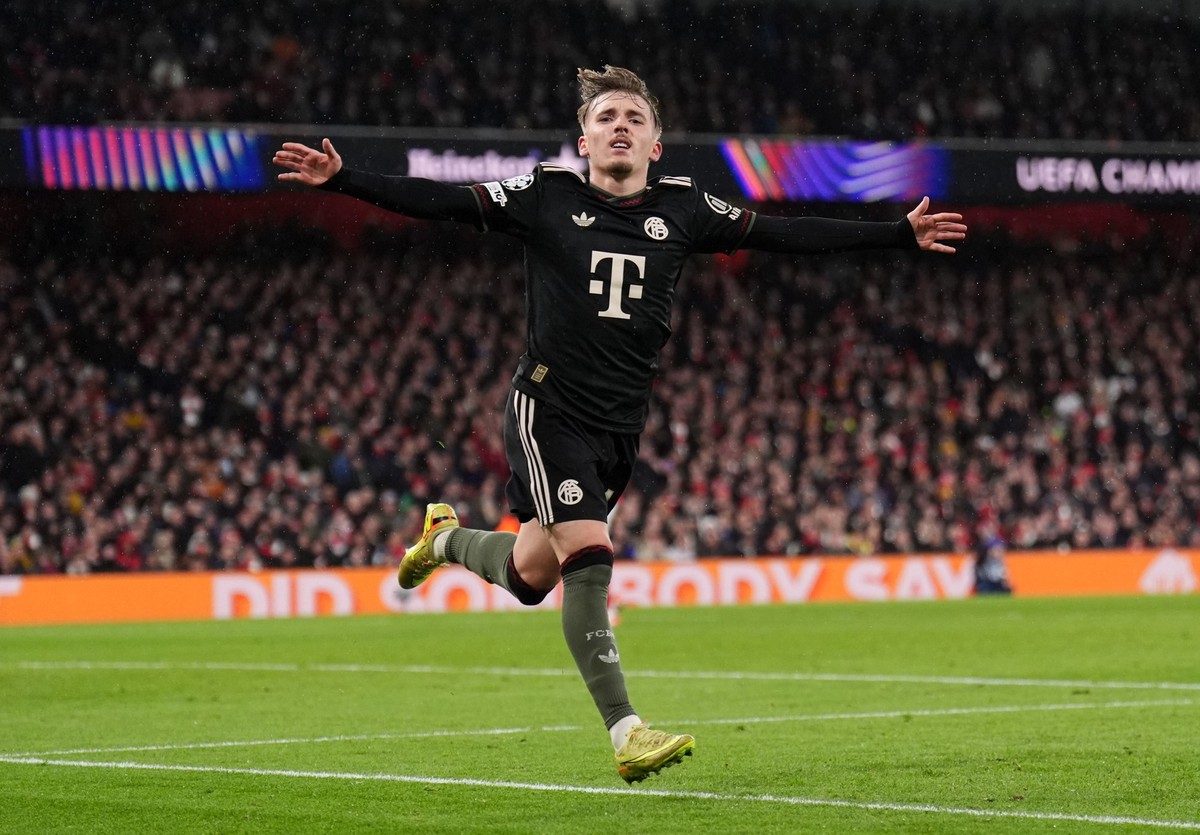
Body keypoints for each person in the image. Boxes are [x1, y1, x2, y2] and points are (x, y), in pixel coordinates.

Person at [273, 65, 966, 783]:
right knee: (591, 558)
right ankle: (626, 730)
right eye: (606, 117)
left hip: (618, 428)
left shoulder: (685, 209)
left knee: (532, 573)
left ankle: (443, 538)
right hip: (549, 408)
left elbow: (783, 234)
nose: (620, 125)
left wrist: (894, 234)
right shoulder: (547, 195)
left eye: (634, 116)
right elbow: (441, 202)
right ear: (583, 139)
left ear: (657, 145)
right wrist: (346, 179)